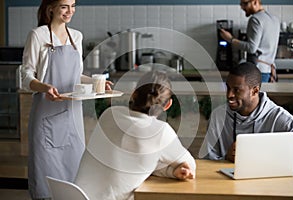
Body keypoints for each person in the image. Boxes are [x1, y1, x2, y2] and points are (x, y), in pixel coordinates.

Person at [21, 0, 111, 199]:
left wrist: (98, 83)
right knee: (46, 174)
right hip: (46, 113)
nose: (70, 11)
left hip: (72, 116)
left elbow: (76, 75)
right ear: (51, 8)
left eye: (73, 5)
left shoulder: (76, 36)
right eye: (64, 6)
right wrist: (45, 87)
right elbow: (25, 77)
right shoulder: (38, 35)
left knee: (74, 172)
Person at [74, 70, 196, 200]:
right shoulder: (160, 132)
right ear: (167, 105)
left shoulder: (109, 114)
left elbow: (141, 163)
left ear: (133, 93)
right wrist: (171, 171)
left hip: (74, 196)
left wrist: (170, 171)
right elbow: (189, 166)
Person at [199, 62, 293, 163]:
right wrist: (226, 158)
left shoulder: (282, 120)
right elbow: (206, 161)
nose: (229, 95)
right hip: (226, 178)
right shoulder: (218, 116)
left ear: (255, 91)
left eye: (236, 90)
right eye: (228, 88)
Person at [220, 0, 280, 82]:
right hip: (269, 70)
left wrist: (231, 39)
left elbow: (252, 48)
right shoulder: (274, 19)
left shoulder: (255, 19)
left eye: (245, 4)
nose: (242, 7)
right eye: (241, 4)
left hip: (257, 70)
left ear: (255, 2)